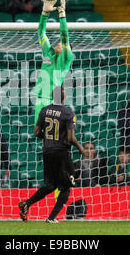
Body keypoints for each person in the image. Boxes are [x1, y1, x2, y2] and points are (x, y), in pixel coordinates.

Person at [18, 86, 84, 223]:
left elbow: (36, 132)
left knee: (50, 186)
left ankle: (27, 204)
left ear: (53, 97)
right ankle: (52, 218)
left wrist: (48, 139)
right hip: (62, 154)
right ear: (64, 97)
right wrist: (80, 148)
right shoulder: (68, 113)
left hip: (47, 152)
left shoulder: (44, 111)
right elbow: (71, 138)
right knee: (67, 186)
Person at [33, 0, 74, 126]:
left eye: (62, 44)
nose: (59, 44)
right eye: (59, 43)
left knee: (53, 137)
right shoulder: (48, 53)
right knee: (39, 133)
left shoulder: (67, 59)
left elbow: (64, 37)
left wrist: (62, 15)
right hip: (40, 99)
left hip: (54, 99)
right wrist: (44, 14)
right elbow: (41, 33)